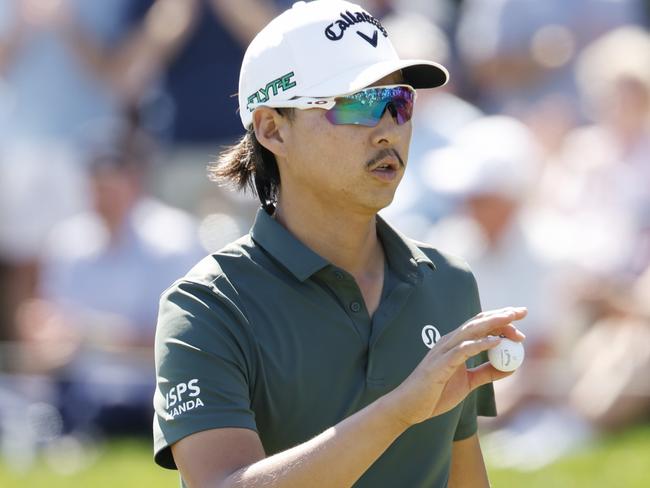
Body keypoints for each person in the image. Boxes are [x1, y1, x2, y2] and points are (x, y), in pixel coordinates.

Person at [152, 1, 527, 487]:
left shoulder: (449, 283)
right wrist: (399, 409)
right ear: (271, 129)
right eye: (357, 103)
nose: (388, 127)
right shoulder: (206, 306)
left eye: (400, 101)